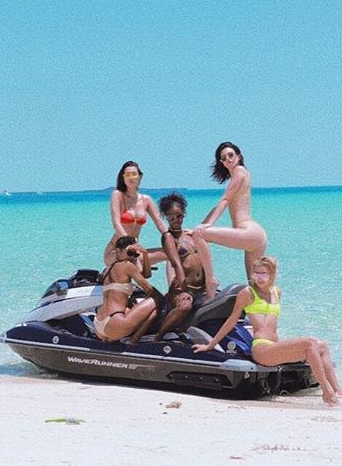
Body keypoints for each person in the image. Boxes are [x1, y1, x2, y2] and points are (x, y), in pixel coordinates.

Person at [192, 256, 342, 407]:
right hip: (261, 350)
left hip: (274, 347)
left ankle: (338, 391)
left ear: (272, 275)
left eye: (264, 273)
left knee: (322, 346)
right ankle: (327, 392)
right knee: (310, 342)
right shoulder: (247, 293)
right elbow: (231, 320)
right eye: (256, 273)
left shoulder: (276, 292)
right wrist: (211, 345)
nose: (259, 278)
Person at [192, 142, 267, 297]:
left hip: (249, 232)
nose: (228, 159)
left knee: (199, 235)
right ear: (222, 163)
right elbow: (220, 204)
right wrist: (203, 224)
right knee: (256, 288)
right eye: (224, 158)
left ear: (239, 156)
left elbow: (225, 200)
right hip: (255, 237)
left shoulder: (239, 171)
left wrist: (205, 227)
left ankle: (211, 281)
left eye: (231, 155)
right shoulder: (241, 174)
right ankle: (266, 310)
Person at [152, 192, 208, 341]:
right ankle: (159, 337)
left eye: (179, 215)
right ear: (166, 216)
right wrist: (184, 291)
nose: (175, 219)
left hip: (201, 288)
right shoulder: (168, 237)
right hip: (182, 288)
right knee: (185, 307)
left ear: (183, 214)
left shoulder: (190, 235)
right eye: (171, 216)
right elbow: (176, 264)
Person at [94, 236, 161, 345]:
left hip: (99, 323)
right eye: (130, 252)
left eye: (135, 254)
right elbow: (149, 289)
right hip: (114, 323)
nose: (132, 257)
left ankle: (112, 339)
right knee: (158, 299)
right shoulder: (127, 266)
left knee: (132, 305)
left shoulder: (109, 268)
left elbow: (146, 274)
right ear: (118, 251)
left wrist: (144, 254)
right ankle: (134, 339)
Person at [103, 161, 167, 266]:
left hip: (134, 250)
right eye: (127, 175)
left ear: (140, 177)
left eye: (134, 174)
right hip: (116, 250)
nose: (131, 178)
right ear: (123, 177)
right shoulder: (117, 195)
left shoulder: (146, 200)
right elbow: (116, 224)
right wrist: (130, 243)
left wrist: (175, 238)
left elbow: (160, 224)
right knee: (134, 257)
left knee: (172, 252)